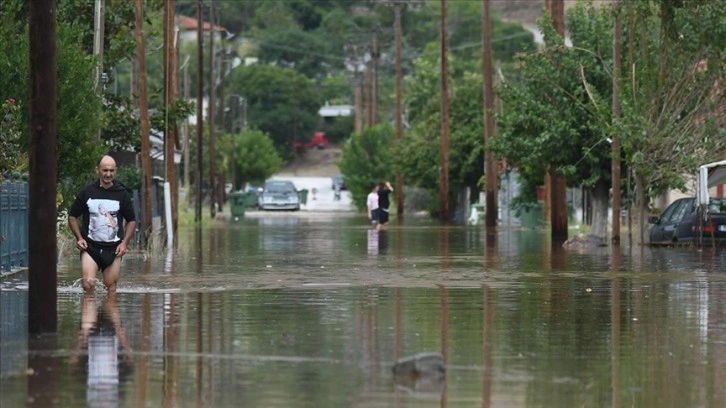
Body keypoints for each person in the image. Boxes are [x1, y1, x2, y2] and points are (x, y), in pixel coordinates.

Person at [69, 155, 136, 294]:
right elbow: (72, 216)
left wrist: (124, 243)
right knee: (88, 284)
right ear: (97, 170)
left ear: (115, 171)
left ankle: (107, 314)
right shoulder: (87, 192)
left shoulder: (122, 194)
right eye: (105, 170)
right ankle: (89, 313)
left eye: (111, 170)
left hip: (113, 248)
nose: (108, 174)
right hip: (90, 246)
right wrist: (79, 238)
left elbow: (131, 220)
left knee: (110, 287)